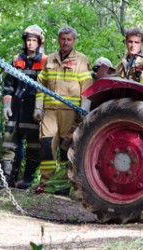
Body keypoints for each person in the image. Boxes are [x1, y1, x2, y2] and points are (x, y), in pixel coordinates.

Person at [34, 26, 92, 191]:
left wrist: (84, 112)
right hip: (50, 111)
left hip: (70, 112)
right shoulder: (50, 59)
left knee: (67, 147)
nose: (65, 42)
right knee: (46, 144)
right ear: (58, 39)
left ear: (74, 41)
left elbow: (87, 88)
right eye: (63, 39)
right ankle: (46, 182)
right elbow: (40, 84)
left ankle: (63, 184)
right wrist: (38, 107)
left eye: (69, 39)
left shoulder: (81, 60)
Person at [1, 24, 47, 189]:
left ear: (39, 42)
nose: (30, 43)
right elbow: (8, 85)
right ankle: (6, 179)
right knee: (8, 143)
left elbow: (48, 87)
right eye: (28, 40)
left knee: (34, 146)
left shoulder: (45, 61)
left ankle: (26, 180)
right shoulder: (16, 60)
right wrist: (7, 105)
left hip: (34, 110)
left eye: (34, 40)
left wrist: (41, 108)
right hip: (16, 109)